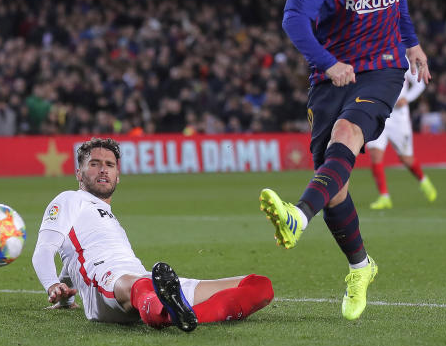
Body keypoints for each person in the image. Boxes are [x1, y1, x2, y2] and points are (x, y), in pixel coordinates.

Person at [261, 0, 431, 320]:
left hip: (383, 64)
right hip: (331, 72)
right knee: (334, 182)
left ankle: (297, 217)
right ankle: (361, 266)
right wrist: (329, 62)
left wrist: (409, 40)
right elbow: (294, 17)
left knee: (347, 132)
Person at [33, 137, 274, 332]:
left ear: (118, 175)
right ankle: (163, 306)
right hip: (109, 281)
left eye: (109, 165)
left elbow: (71, 264)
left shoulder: (107, 217)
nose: (103, 170)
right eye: (94, 164)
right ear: (79, 173)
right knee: (141, 285)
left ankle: (179, 313)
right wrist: (51, 284)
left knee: (258, 286)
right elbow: (45, 249)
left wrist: (64, 298)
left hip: (145, 281)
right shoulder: (70, 199)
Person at [367, 68, 438, 209]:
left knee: (406, 159)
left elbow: (420, 84)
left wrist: (407, 98)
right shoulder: (372, 57)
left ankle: (424, 181)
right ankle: (384, 196)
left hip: (399, 118)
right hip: (378, 114)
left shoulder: (402, 58)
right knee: (375, 155)